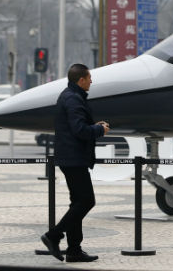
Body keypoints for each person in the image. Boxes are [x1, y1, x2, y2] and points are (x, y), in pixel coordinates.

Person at [40, 64, 109, 263]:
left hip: (71, 158)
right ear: (81, 80)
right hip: (73, 159)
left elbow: (76, 127)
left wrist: (95, 127)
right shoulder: (72, 98)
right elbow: (79, 129)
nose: (91, 81)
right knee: (87, 201)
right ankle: (54, 236)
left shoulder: (71, 96)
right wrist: (99, 129)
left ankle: (74, 250)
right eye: (89, 78)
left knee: (77, 203)